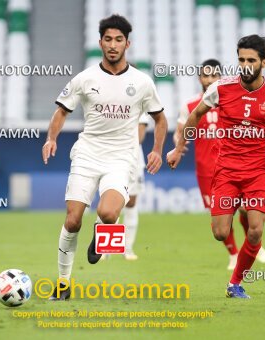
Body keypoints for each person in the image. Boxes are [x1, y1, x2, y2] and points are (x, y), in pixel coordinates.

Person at [42, 14, 168, 300]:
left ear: (127, 43)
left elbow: (161, 120)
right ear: (100, 42)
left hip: (122, 158)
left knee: (109, 214)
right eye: (108, 39)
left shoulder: (142, 82)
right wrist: (51, 139)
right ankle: (63, 285)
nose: (113, 45)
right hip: (87, 154)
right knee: (73, 221)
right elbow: (62, 111)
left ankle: (102, 237)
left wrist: (157, 151)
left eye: (119, 40)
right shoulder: (85, 78)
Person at [167, 35, 265, 298]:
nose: (245, 65)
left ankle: (235, 284)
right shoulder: (221, 88)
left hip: (258, 172)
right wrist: (179, 148)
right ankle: (240, 224)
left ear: (263, 62)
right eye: (241, 59)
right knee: (220, 232)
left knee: (255, 231)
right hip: (226, 172)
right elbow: (196, 114)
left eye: (251, 60)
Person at [174, 59, 265, 270]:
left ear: (220, 78)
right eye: (205, 75)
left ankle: (253, 242)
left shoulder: (231, 99)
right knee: (220, 220)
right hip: (207, 170)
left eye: (213, 76)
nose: (209, 80)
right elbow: (180, 132)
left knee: (246, 208)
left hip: (235, 166)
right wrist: (178, 145)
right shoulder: (190, 105)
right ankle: (233, 254)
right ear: (199, 78)